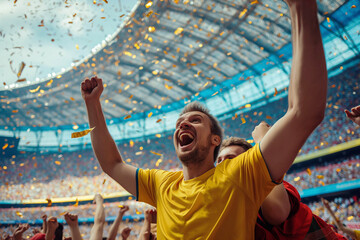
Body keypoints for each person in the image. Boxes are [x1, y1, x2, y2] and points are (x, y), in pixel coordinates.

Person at [81, 0, 328, 238]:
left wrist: (301, 7)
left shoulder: (240, 174)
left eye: (196, 120)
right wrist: (92, 105)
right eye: (179, 123)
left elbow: (303, 112)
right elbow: (111, 164)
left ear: (214, 140)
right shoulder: (162, 184)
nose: (183, 124)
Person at [218, 122, 346, 239]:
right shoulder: (227, 206)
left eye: (230, 158)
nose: (223, 164)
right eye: (219, 160)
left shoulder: (272, 186)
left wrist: (264, 144)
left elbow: (276, 213)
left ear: (249, 163)